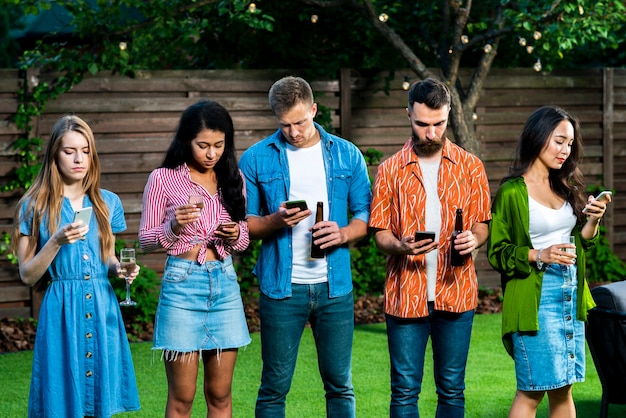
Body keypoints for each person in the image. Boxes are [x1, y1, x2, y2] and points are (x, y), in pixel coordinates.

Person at [239, 76, 372, 418]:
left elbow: (366, 215)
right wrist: (276, 221)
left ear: (314, 109)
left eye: (300, 121)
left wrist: (342, 234)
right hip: (282, 288)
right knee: (274, 387)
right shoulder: (256, 159)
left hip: (335, 287)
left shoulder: (346, 154)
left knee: (340, 385)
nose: (294, 131)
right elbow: (247, 226)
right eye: (285, 125)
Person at [368, 77, 491, 417]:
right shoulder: (389, 170)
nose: (431, 133)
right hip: (405, 294)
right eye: (423, 124)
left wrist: (474, 238)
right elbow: (378, 234)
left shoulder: (471, 167)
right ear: (408, 114)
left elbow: (482, 223)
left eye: (439, 124)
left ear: (448, 115)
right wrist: (400, 245)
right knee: (405, 393)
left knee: (452, 390)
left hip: (457, 293)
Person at [12, 115, 140, 417]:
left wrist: (118, 270)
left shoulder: (106, 201)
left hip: (102, 304)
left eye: (85, 150)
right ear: (54, 154)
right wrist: (55, 240)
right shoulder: (33, 205)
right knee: (60, 399)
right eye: (69, 151)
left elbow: (107, 257)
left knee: (98, 401)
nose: (79, 158)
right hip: (61, 309)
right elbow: (28, 275)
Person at [487, 105, 609, 418]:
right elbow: (497, 252)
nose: (565, 151)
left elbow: (581, 242)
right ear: (538, 136)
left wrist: (593, 220)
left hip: (569, 296)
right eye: (559, 141)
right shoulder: (512, 193)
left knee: (563, 387)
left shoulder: (565, 186)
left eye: (570, 144)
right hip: (534, 300)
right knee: (530, 392)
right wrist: (538, 254)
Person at [138, 100, 251, 418]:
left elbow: (243, 240)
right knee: (182, 398)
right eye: (203, 145)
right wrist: (174, 226)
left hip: (225, 285)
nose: (212, 153)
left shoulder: (233, 177)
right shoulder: (163, 179)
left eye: (219, 145)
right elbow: (145, 241)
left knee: (220, 394)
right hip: (182, 285)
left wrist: (233, 235)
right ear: (187, 140)